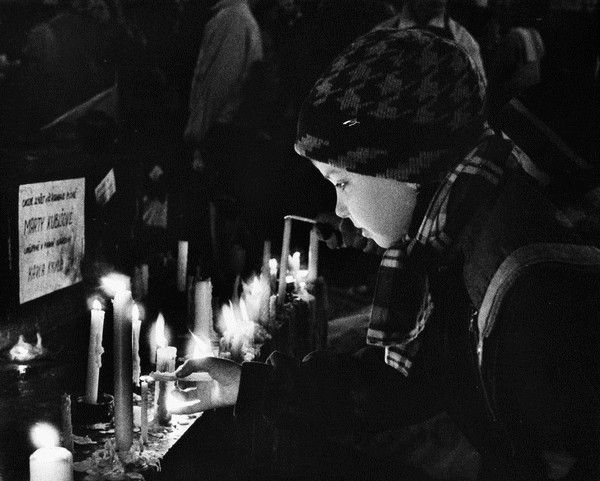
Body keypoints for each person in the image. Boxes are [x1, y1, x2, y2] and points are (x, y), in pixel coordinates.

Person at [172, 28, 599, 480]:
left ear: (403, 167)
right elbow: (394, 385)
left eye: (342, 182)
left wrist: (251, 387)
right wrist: (246, 384)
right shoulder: (459, 226)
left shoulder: (513, 282)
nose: (338, 207)